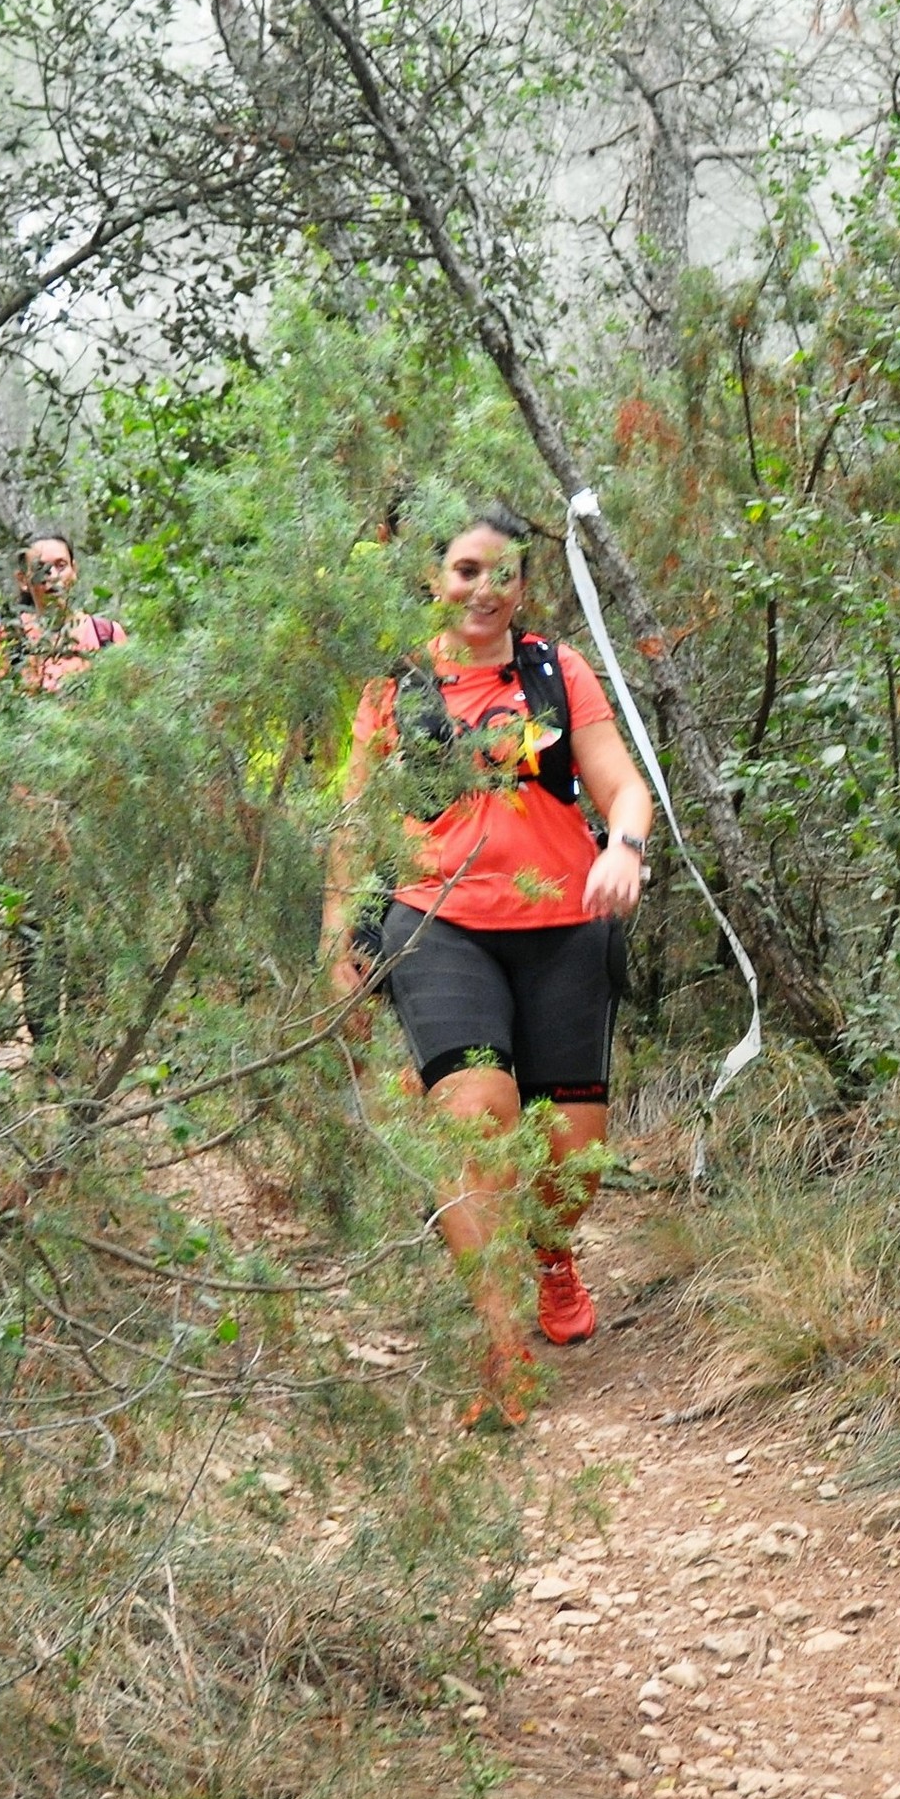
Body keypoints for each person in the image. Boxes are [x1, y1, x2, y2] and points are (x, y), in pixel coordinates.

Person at [323, 502, 653, 1424]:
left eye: (502, 571)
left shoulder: (557, 671)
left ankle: (551, 1253)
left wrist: (624, 848)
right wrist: (338, 940)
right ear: (434, 579)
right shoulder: (395, 690)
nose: (483, 588)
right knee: (475, 1118)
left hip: (565, 923)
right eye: (466, 570)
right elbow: (353, 824)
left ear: (523, 583)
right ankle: (502, 1347)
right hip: (438, 926)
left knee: (571, 1160)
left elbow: (622, 786)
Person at [0, 533, 127, 694]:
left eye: (61, 566)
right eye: (40, 568)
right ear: (23, 580)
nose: (52, 575)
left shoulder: (106, 633)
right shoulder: (7, 635)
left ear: (74, 570)